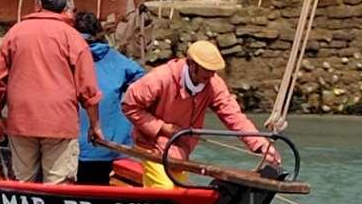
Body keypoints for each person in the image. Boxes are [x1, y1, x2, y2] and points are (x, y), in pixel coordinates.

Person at [120, 38, 284, 187]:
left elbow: (234, 117)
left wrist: (261, 146)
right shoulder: (160, 78)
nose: (211, 75)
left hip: (179, 151)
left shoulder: (214, 85)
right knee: (165, 190)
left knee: (180, 191)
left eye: (214, 71)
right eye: (207, 70)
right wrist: (161, 127)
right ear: (191, 65)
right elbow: (129, 104)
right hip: (150, 146)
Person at [0, 0, 98, 183]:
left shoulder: (16, 32)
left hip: (21, 119)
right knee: (58, 185)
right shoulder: (72, 38)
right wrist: (95, 124)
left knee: (21, 184)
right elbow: (87, 89)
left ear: (37, 4)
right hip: (60, 122)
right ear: (65, 7)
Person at [77, 10, 145, 184]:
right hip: (113, 150)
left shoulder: (67, 61)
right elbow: (146, 86)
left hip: (75, 151)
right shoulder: (121, 63)